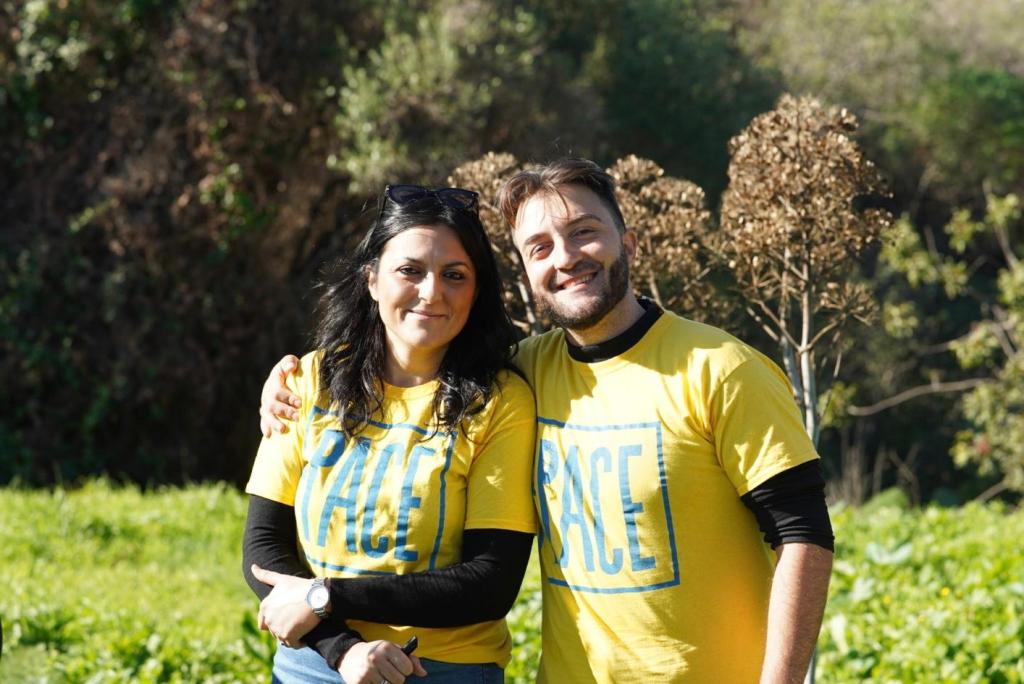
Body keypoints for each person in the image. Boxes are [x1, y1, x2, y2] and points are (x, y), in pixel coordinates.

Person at [260, 159, 835, 683]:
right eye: (539, 247)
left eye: (584, 231)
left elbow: (803, 534)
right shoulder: (525, 370)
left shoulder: (723, 369)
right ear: (526, 273)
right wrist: (286, 377)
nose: (564, 257)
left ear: (629, 243)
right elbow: (422, 364)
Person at [243, 184, 537, 684]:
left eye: (455, 275)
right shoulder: (310, 380)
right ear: (372, 279)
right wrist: (342, 649)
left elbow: (490, 581)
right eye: (410, 270)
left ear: (477, 291)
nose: (432, 292)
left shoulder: (499, 402)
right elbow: (264, 546)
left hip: (442, 670)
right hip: (309, 663)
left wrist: (325, 596)